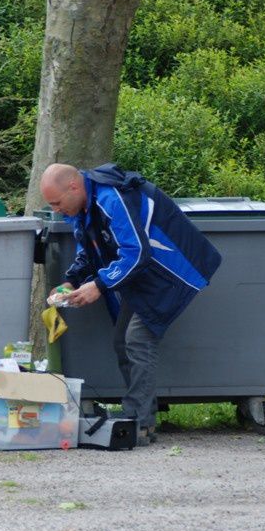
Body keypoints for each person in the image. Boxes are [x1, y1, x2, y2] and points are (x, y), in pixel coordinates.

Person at [40, 163, 222, 444]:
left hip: (173, 271)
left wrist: (99, 286)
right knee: (122, 342)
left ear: (74, 187)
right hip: (142, 276)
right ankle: (139, 416)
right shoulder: (81, 208)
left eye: (57, 202)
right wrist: (71, 281)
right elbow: (89, 251)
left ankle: (140, 422)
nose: (56, 209)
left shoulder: (111, 198)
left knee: (137, 339)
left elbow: (137, 252)